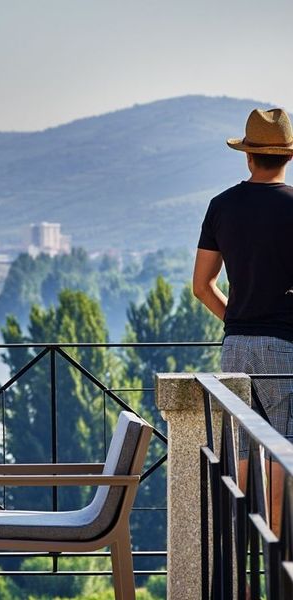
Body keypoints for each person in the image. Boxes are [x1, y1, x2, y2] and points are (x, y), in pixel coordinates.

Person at [193, 107, 293, 534]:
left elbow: (202, 285)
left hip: (235, 345)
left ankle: (238, 555)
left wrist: (236, 318)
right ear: (287, 158)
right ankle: (281, 558)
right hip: (285, 347)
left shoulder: (222, 206)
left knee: (241, 451)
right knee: (282, 451)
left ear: (249, 156)